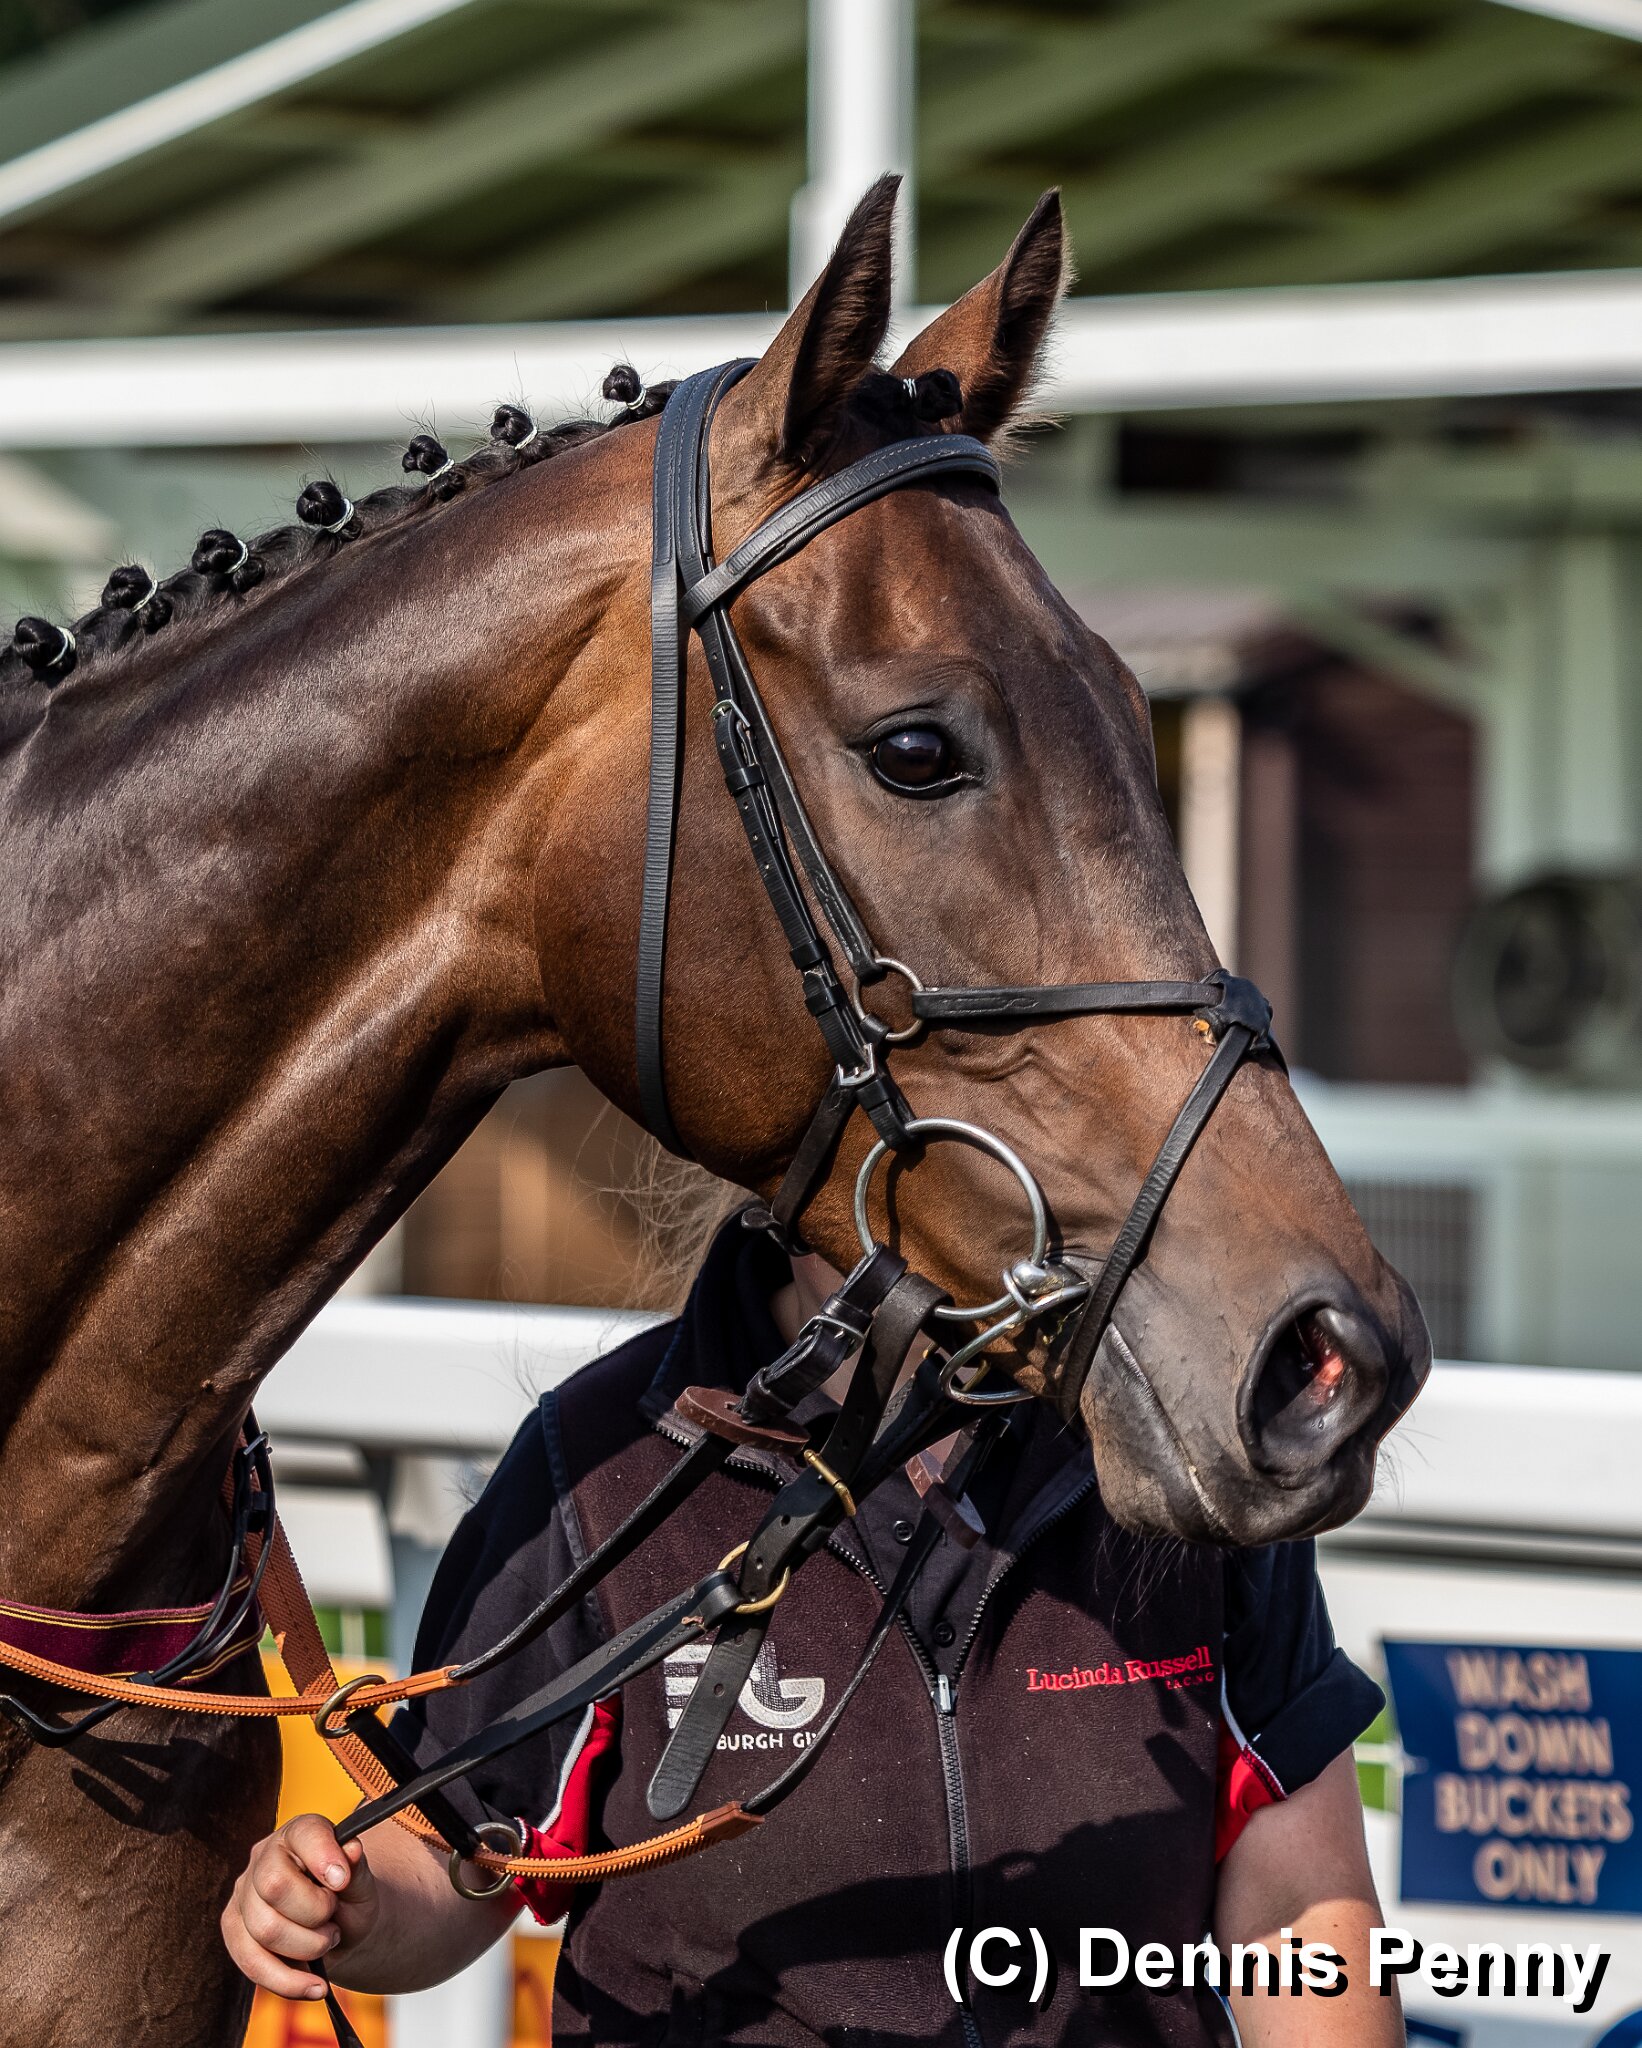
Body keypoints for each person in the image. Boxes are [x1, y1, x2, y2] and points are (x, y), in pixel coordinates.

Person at [223, 1212, 1403, 2046]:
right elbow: (455, 1851)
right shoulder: (600, 1463)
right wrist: (345, 1899)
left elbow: (1300, 1910)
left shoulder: (1182, 1455)